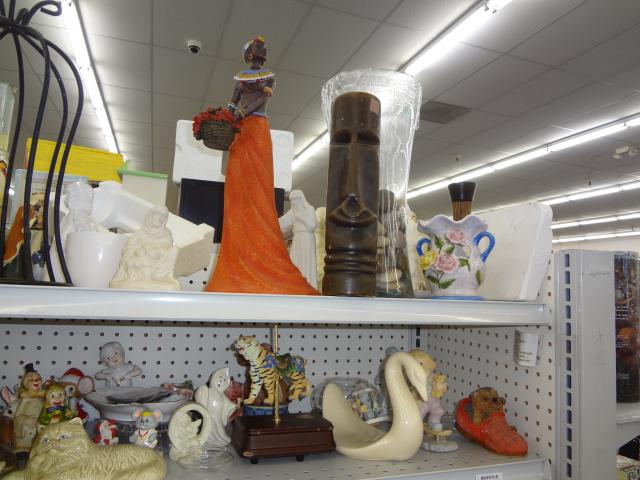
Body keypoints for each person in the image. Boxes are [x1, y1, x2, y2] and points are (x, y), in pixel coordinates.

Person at [206, 37, 317, 295]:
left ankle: (262, 251)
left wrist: (240, 115)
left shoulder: (268, 78)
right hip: (241, 133)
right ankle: (239, 256)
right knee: (237, 189)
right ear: (249, 54)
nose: (262, 50)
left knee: (259, 189)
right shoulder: (240, 78)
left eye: (263, 47)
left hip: (257, 129)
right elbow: (233, 102)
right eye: (257, 47)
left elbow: (261, 103)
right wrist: (223, 118)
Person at [110, 205, 180, 291]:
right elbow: (128, 249)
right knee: (143, 262)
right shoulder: (140, 233)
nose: (160, 218)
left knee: (175, 249)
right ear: (151, 215)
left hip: (160, 263)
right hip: (141, 261)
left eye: (163, 216)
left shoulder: (166, 234)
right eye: (158, 214)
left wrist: (157, 252)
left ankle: (165, 278)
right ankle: (143, 279)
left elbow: (167, 250)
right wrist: (139, 250)